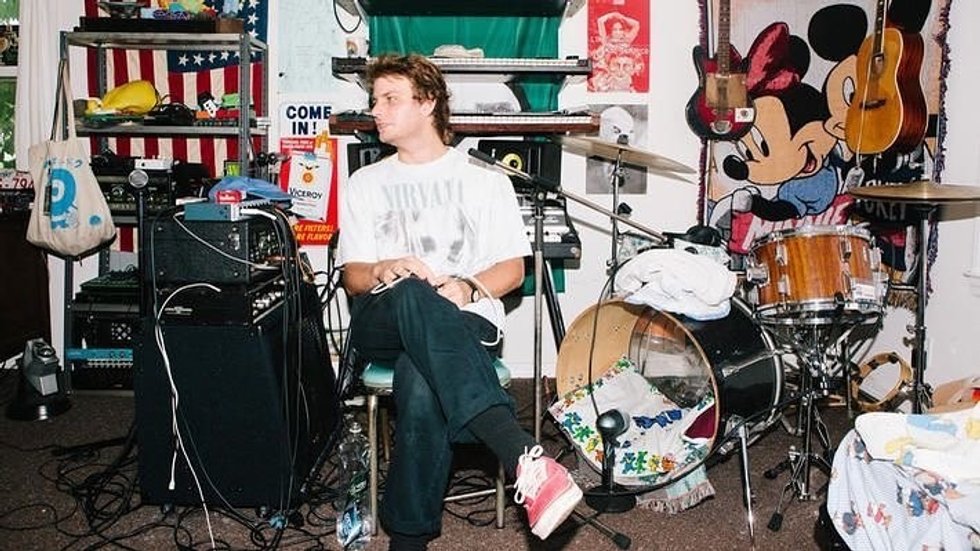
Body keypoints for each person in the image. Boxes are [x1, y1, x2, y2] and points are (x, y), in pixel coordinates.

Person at [336, 54, 583, 551]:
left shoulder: (485, 179)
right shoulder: (365, 182)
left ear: (428, 103)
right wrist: (385, 269)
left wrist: (467, 287)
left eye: (390, 99)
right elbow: (353, 277)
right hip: (384, 319)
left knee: (420, 378)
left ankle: (408, 541)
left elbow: (513, 271)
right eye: (374, 100)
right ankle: (520, 453)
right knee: (411, 289)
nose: (376, 111)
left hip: (465, 319)